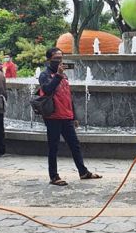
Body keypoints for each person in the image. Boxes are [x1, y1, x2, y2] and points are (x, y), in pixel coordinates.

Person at [38, 47, 101, 186]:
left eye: (61, 57)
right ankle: (54, 176)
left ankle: (83, 172)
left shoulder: (65, 76)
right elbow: (47, 90)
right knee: (53, 147)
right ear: (49, 60)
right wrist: (59, 75)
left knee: (75, 145)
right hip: (53, 117)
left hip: (66, 117)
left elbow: (68, 97)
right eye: (56, 58)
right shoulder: (45, 75)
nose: (60, 61)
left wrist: (74, 116)